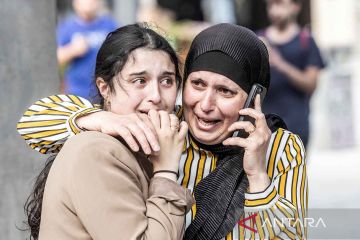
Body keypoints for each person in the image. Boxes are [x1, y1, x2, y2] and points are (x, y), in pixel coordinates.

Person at [18, 23, 307, 239]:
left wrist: (257, 178)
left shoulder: (279, 148)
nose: (206, 105)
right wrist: (96, 119)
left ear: (253, 98)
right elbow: (30, 124)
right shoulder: (164, 128)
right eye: (197, 85)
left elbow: (289, 235)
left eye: (225, 91)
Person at [21, 23, 194, 240]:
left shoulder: (162, 132)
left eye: (167, 81)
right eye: (140, 81)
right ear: (104, 88)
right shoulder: (97, 150)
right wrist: (166, 171)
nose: (156, 96)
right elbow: (31, 121)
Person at [258, 0, 325, 147]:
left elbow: (311, 84)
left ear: (295, 7)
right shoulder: (259, 39)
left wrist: (280, 63)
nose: (274, 9)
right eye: (270, 5)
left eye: (279, 4)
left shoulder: (306, 41)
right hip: (263, 128)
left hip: (296, 128)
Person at [57, 0, 117, 98]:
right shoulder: (67, 28)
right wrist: (72, 50)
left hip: (105, 90)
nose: (89, 3)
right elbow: (55, 59)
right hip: (77, 91)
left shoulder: (110, 25)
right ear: (75, 3)